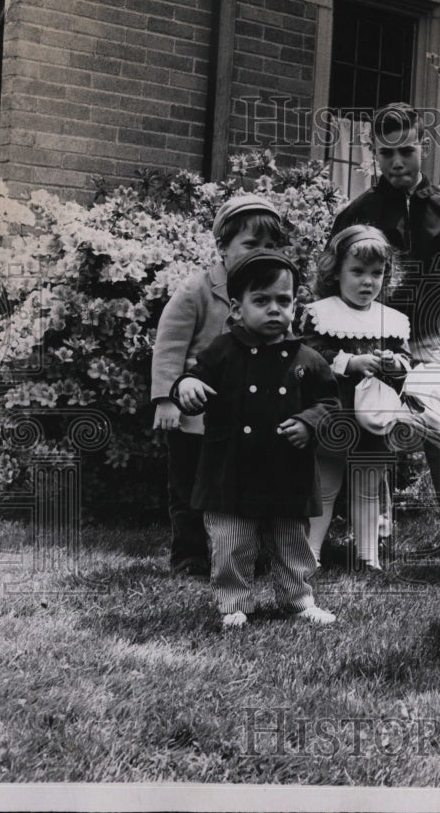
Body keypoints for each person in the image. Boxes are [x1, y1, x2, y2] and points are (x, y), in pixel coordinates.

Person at [331, 102, 440, 558]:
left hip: (421, 337)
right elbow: (338, 273)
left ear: (423, 145)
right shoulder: (359, 211)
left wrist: (426, 321)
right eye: (386, 154)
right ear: (374, 156)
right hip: (368, 336)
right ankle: (373, 536)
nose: (397, 163)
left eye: (405, 150)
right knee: (371, 427)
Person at [171, 249, 340, 628]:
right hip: (231, 469)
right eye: (261, 301)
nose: (274, 309)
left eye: (284, 300)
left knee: (292, 543)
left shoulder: (307, 359)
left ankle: (298, 599)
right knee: (231, 542)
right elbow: (194, 377)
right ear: (236, 307)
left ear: (295, 306)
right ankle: (234, 604)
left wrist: (310, 422)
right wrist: (189, 385)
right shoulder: (222, 351)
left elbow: (330, 401)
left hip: (287, 470)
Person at [150, 194, 286, 577]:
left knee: (244, 489)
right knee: (189, 490)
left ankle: (247, 554)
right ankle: (189, 555)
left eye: (270, 246)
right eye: (250, 244)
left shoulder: (270, 295)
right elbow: (170, 345)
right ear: (223, 248)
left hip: (245, 416)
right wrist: (167, 399)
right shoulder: (196, 290)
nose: (261, 253)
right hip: (194, 415)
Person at [301, 225, 412, 572]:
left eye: (377, 274)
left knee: (367, 486)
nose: (368, 282)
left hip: (372, 417)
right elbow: (310, 353)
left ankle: (369, 555)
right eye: (358, 272)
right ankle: (310, 553)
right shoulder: (322, 313)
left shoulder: (391, 320)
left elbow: (407, 363)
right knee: (326, 485)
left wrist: (395, 364)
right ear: (336, 272)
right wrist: (350, 361)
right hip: (336, 411)